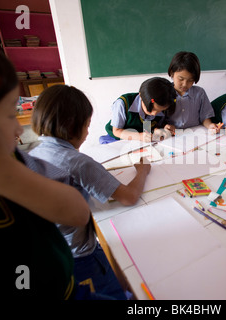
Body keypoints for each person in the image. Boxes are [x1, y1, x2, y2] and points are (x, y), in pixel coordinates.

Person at [0, 26, 91, 300]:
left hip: (69, 289)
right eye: (8, 115)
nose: (18, 130)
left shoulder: (11, 159)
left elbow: (77, 212)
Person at [29, 84, 152, 299]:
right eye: (87, 126)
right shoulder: (77, 162)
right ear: (72, 126)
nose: (87, 133)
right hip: (80, 255)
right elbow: (129, 197)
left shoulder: (33, 154)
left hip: (47, 251)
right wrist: (142, 171)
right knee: (115, 289)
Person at [102, 77, 177, 143]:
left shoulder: (162, 104)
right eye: (150, 110)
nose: (154, 114)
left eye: (159, 111)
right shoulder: (123, 104)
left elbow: (147, 126)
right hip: (117, 139)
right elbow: (116, 131)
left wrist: (159, 129)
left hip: (141, 142)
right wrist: (139, 136)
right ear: (140, 96)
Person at [166, 51, 218, 132]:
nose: (185, 84)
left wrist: (210, 125)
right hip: (173, 135)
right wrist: (166, 127)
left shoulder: (199, 93)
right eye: (181, 79)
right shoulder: (164, 93)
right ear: (172, 73)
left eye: (190, 80)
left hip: (195, 133)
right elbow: (154, 118)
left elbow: (205, 117)